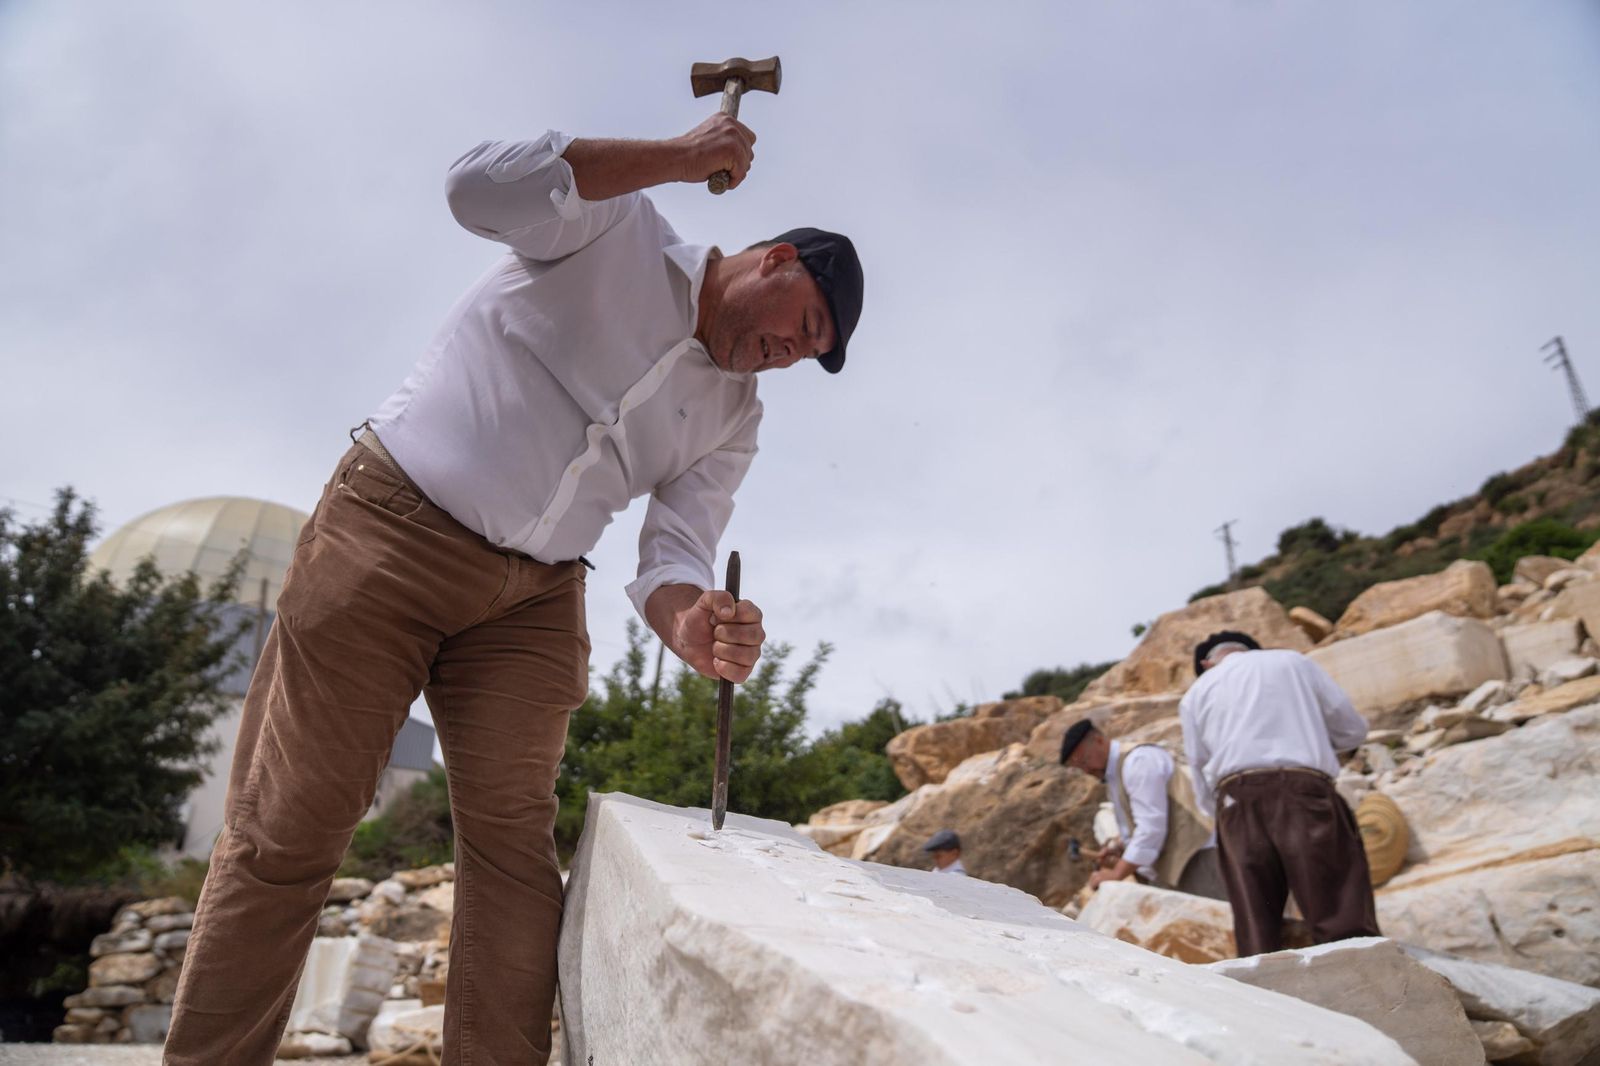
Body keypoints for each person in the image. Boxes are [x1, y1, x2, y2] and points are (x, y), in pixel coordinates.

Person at [164, 115, 865, 1066]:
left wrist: (693, 623)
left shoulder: (735, 418)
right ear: (776, 262)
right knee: (290, 829)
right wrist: (681, 157)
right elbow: (474, 188)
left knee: (514, 863)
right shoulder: (615, 227)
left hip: (533, 604)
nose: (790, 354)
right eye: (803, 327)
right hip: (390, 534)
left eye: (810, 355)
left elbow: (672, 558)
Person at [1179, 630, 1379, 957]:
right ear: (1256, 650)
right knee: (1339, 911)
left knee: (1257, 924)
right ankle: (1370, 991)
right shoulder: (1293, 662)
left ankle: (1271, 999)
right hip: (1303, 792)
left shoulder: (1196, 692)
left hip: (1235, 803)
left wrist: (1220, 816)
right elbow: (1352, 729)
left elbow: (1199, 766)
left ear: (1206, 663)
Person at [1057, 720, 1223, 898]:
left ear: (1098, 740)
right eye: (1079, 767)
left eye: (1084, 760)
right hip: (1176, 866)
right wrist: (1120, 845)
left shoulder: (1138, 762)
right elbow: (1142, 821)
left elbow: (1150, 828)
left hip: (1196, 859)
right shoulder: (1115, 773)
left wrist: (1117, 873)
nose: (1086, 770)